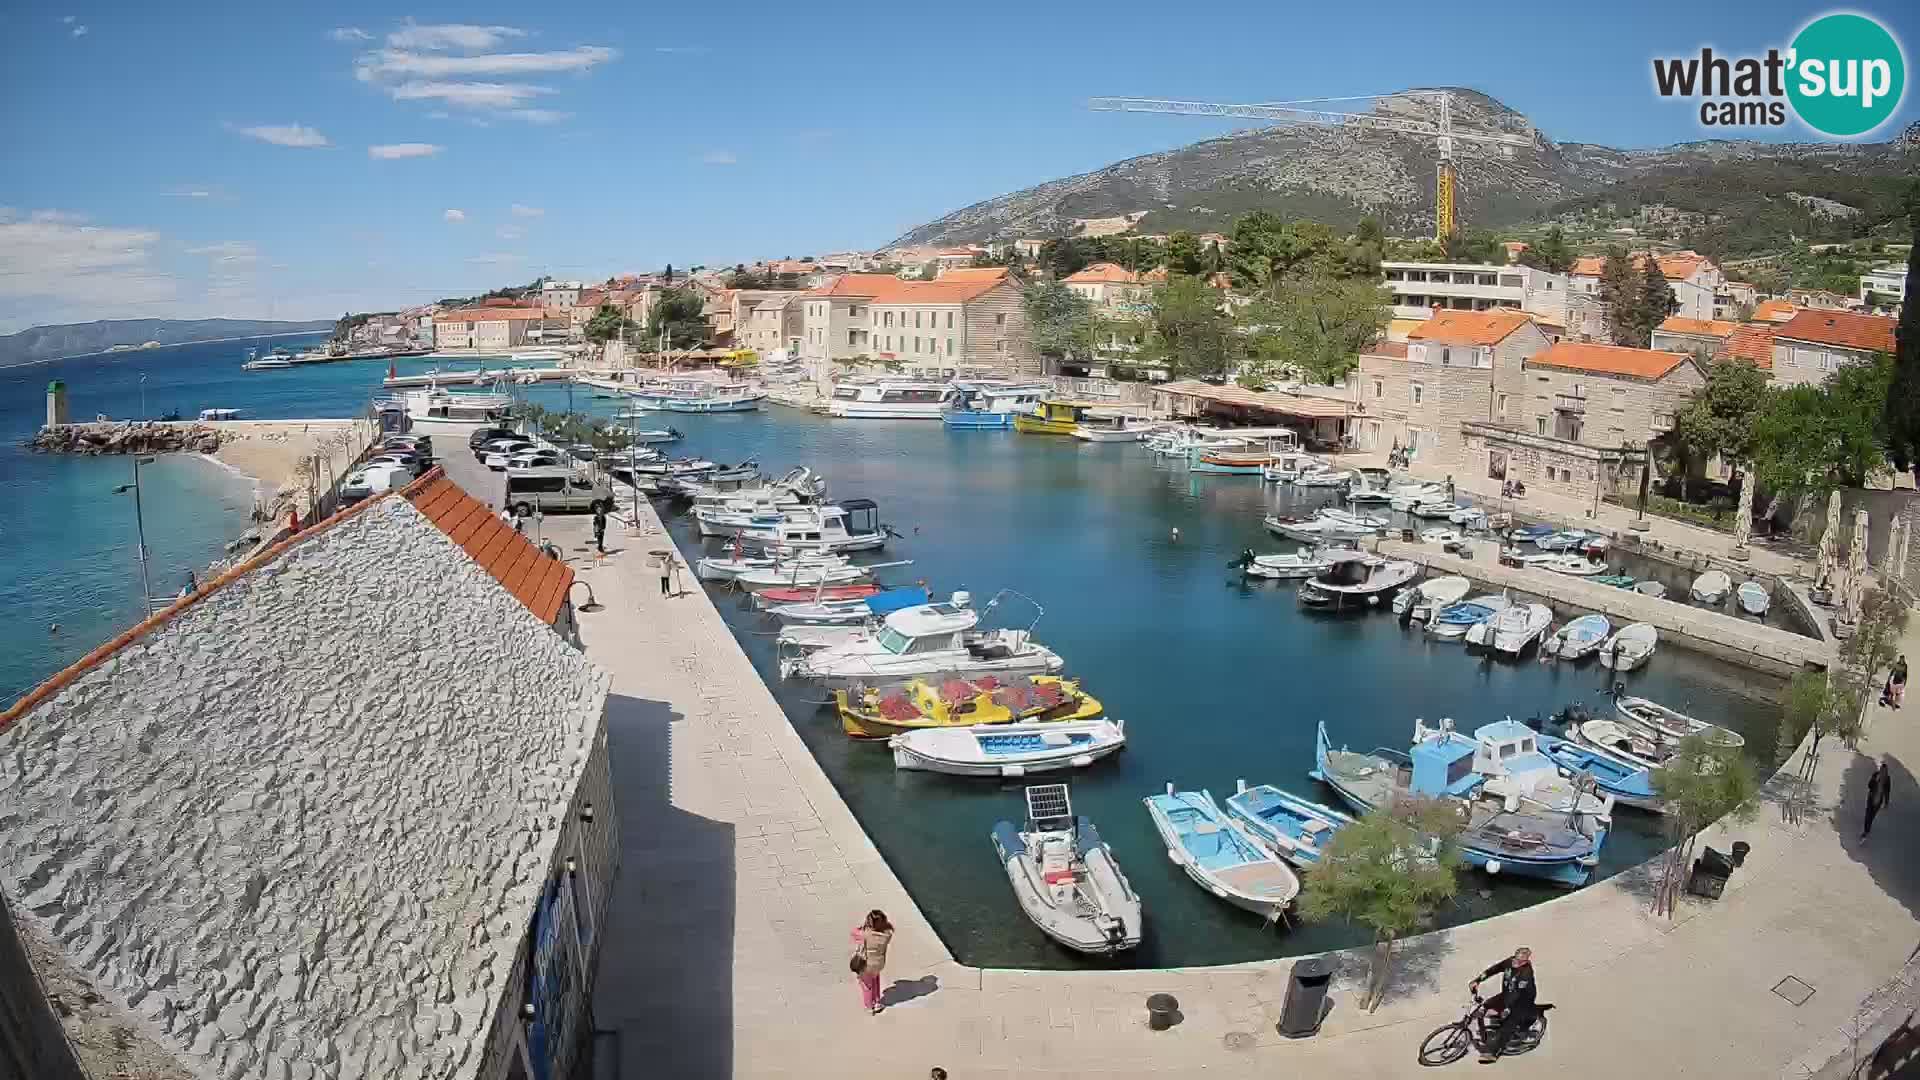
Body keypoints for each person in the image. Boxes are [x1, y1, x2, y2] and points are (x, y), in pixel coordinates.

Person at [1469, 947, 1537, 1064]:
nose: (1515, 964)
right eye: (1515, 960)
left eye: (1519, 962)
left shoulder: (1526, 973)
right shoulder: (1510, 962)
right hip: (1507, 994)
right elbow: (1494, 969)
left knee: (1507, 1023)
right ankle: (1486, 1036)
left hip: (1522, 999)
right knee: (1483, 1007)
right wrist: (1478, 980)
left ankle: (1493, 1053)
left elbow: (1517, 994)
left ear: (1525, 961)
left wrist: (1508, 1008)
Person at [850, 909, 893, 1015]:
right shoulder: (887, 934)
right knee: (875, 980)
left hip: (866, 964)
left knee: (867, 986)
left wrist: (863, 927)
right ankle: (877, 1002)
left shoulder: (865, 934)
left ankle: (869, 1006)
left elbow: (854, 933)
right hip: (879, 963)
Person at [1864, 760, 1892, 841]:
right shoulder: (1876, 775)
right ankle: (1866, 831)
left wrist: (1886, 802)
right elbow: (1869, 785)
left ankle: (1867, 830)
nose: (1883, 772)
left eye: (1884, 771)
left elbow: (1887, 791)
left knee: (1871, 816)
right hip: (1871, 798)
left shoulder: (1887, 779)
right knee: (1868, 814)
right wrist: (1874, 780)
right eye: (1882, 770)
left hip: (1878, 801)